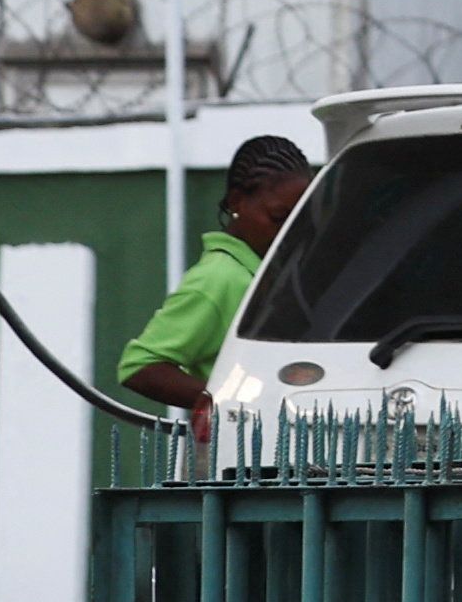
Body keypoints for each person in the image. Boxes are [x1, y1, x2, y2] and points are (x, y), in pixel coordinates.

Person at [115, 137, 314, 417]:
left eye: (299, 220)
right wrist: (231, 402)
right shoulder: (219, 278)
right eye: (278, 217)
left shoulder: (270, 270)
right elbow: (140, 366)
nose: (288, 232)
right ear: (237, 202)